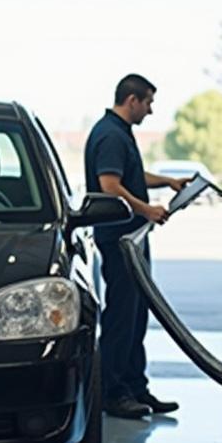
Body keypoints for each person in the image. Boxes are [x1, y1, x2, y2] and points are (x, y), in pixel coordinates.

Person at [84, 74, 191, 419]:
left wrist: (168, 182)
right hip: (119, 240)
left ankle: (135, 387)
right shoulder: (111, 135)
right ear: (133, 100)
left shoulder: (118, 133)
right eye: (148, 103)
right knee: (121, 317)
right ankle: (113, 393)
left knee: (136, 315)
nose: (150, 111)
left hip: (132, 239)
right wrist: (148, 210)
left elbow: (131, 176)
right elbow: (110, 185)